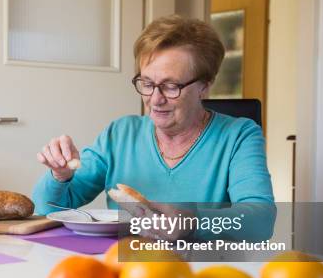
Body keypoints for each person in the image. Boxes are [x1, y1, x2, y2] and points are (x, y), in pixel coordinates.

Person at [32, 15, 275, 242]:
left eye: (170, 86)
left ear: (205, 85)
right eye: (147, 83)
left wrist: (192, 223)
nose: (155, 99)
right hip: (128, 268)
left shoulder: (240, 136)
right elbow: (49, 209)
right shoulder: (119, 135)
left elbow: (261, 222)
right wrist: (60, 176)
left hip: (204, 270)